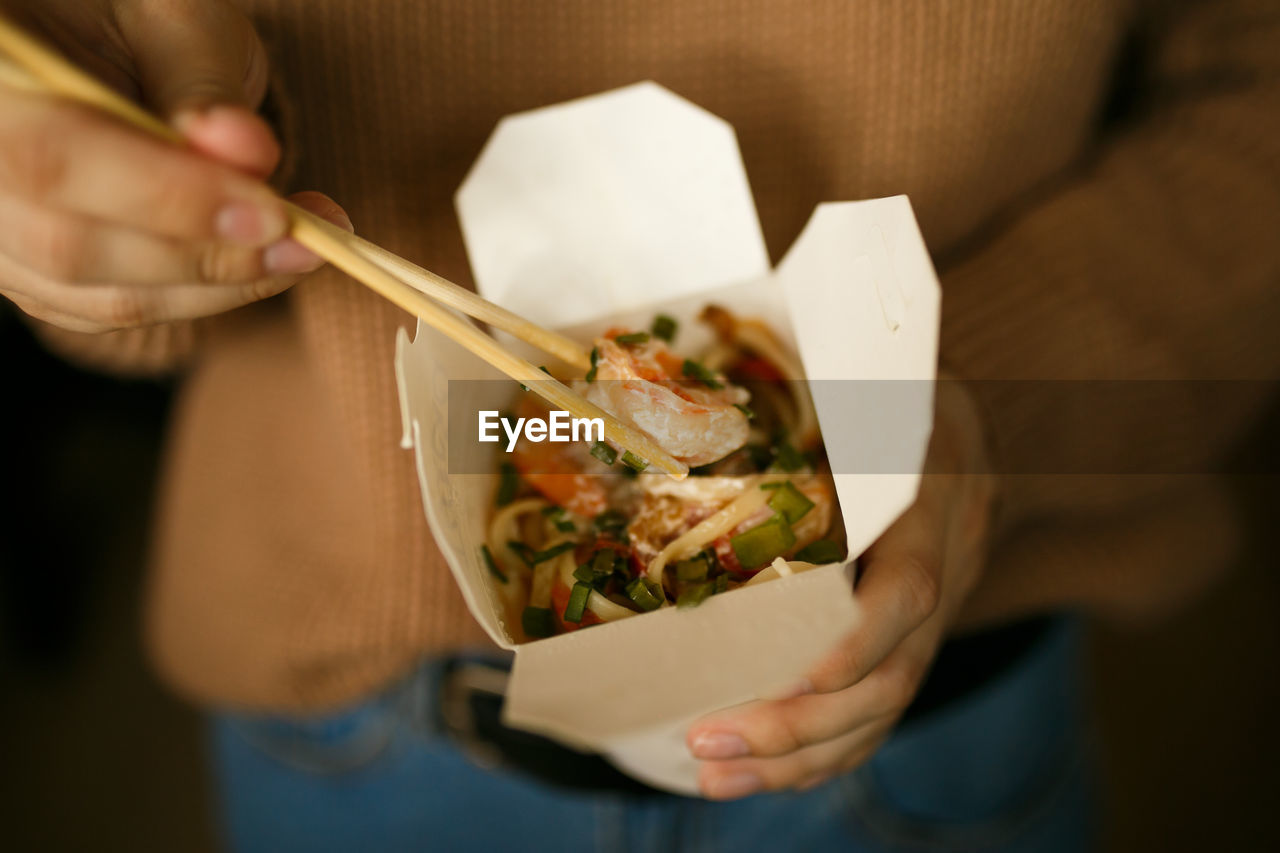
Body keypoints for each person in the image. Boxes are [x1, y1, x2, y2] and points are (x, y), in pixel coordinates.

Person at [1, 0, 1274, 850]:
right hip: (364, 718)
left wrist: (970, 401)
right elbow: (135, 305)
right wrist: (83, 227)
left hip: (936, 686)